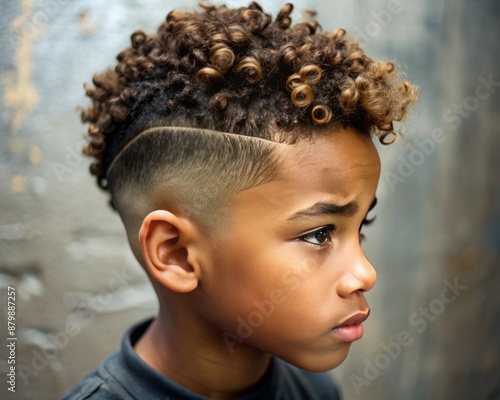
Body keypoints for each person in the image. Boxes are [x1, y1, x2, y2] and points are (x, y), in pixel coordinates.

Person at [62, 2, 417, 399]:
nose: (365, 274)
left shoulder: (315, 392)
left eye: (361, 226)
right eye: (319, 234)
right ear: (176, 252)